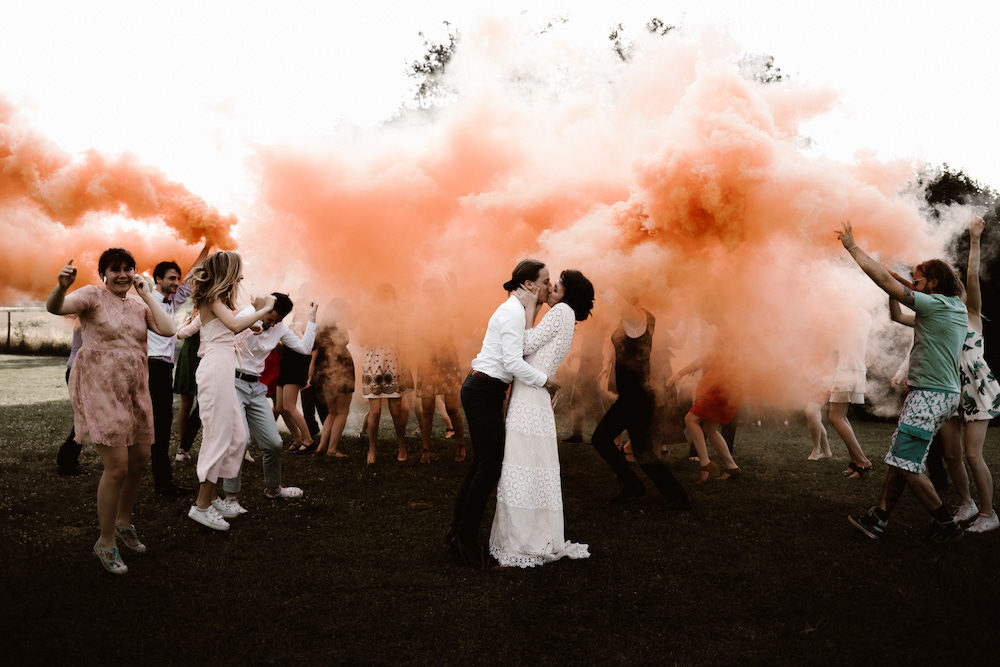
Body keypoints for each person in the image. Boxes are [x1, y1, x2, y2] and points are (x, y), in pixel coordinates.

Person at [46, 248, 178, 574]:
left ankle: (123, 522)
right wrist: (62, 286)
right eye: (115, 269)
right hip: (99, 386)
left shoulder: (139, 304)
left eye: (128, 269)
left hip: (134, 388)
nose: (122, 275)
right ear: (104, 273)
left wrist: (148, 296)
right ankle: (105, 543)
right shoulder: (92, 295)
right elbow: (56, 307)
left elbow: (168, 329)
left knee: (139, 461)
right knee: (117, 467)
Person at [838, 222, 968, 543]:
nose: (912, 281)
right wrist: (894, 291)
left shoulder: (935, 304)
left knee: (908, 466)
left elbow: (885, 280)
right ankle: (878, 519)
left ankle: (946, 525)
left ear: (934, 282)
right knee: (901, 459)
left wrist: (854, 248)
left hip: (928, 396)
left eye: (918, 278)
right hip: (942, 396)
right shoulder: (953, 308)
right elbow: (898, 316)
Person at [447, 259, 561, 568]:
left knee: (483, 464)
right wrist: (545, 382)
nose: (550, 285)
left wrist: (540, 306)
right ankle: (464, 540)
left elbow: (522, 346)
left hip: (485, 390)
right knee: (488, 466)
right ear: (528, 284)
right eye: (546, 280)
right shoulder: (511, 312)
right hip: (482, 391)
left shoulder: (517, 308)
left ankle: (458, 533)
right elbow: (512, 361)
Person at [892, 216, 998, 533]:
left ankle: (990, 513)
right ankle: (967, 503)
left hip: (976, 388)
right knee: (952, 455)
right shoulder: (937, 314)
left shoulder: (971, 315)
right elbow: (899, 317)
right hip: (947, 388)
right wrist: (898, 285)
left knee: (972, 453)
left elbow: (973, 278)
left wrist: (975, 238)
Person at [489, 269, 594, 567]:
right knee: (531, 466)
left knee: (520, 466)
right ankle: (532, 538)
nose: (550, 290)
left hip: (530, 396)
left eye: (556, 287)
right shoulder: (565, 313)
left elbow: (524, 345)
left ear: (567, 294)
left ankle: (524, 544)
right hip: (533, 393)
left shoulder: (560, 312)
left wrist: (531, 309)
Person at [179, 292, 314, 518]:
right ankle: (230, 498)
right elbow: (226, 334)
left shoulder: (278, 327)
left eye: (278, 320)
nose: (273, 323)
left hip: (256, 388)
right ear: (266, 307)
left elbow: (304, 348)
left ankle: (274, 489)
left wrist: (314, 318)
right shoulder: (246, 314)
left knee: (274, 443)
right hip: (232, 381)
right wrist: (252, 324)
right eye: (272, 317)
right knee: (239, 441)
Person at [184, 251, 276, 531]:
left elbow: (232, 325)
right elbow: (235, 324)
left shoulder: (219, 300)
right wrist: (266, 307)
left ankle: (211, 500)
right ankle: (201, 506)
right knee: (219, 436)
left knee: (236, 437)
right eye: (238, 271)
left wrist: (253, 324)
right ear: (227, 273)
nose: (242, 276)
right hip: (215, 368)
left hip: (224, 366)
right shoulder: (211, 298)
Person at [594, 293, 691, 507]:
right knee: (642, 452)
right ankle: (675, 496)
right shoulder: (627, 321)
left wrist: (602, 281)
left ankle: (634, 485)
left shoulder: (640, 318)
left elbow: (620, 302)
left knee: (601, 439)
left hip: (635, 398)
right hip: (634, 397)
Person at [146, 244, 209, 497]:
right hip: (152, 366)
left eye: (177, 278)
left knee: (161, 424)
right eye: (171, 278)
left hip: (164, 366)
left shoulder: (173, 298)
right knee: (158, 424)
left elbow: (193, 274)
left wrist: (207, 247)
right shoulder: (147, 301)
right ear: (157, 279)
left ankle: (163, 480)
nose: (177, 282)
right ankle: (162, 482)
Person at [668, 318, 741, 483]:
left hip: (721, 385)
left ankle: (705, 464)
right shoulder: (725, 327)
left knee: (690, 419)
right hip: (722, 383)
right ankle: (731, 467)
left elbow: (709, 357)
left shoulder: (727, 328)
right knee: (709, 427)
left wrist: (682, 372)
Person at [360, 283, 410, 464]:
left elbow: (404, 340)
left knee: (396, 410)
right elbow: (361, 340)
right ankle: (372, 449)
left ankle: (402, 445)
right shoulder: (369, 315)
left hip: (393, 362)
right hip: (373, 363)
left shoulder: (398, 316)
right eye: (383, 296)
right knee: (375, 411)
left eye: (389, 296)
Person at [829, 309, 873, 478]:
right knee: (841, 416)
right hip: (855, 368)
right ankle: (855, 462)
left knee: (835, 417)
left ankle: (863, 461)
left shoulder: (849, 314)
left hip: (848, 369)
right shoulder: (864, 314)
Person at [311, 323, 356, 458]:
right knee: (342, 412)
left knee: (332, 412)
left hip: (325, 370)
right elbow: (345, 341)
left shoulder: (320, 327)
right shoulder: (338, 325)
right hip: (341, 368)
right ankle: (332, 449)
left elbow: (314, 350)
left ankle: (321, 446)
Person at [55, 321, 84, 475]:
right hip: (78, 371)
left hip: (82, 370)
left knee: (84, 417)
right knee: (83, 418)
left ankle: (67, 459)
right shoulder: (86, 310)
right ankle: (66, 460)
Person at [172, 325, 201, 463]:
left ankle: (185, 445)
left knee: (203, 404)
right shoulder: (192, 316)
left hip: (204, 356)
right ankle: (181, 445)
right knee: (187, 402)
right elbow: (180, 332)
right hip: (189, 355)